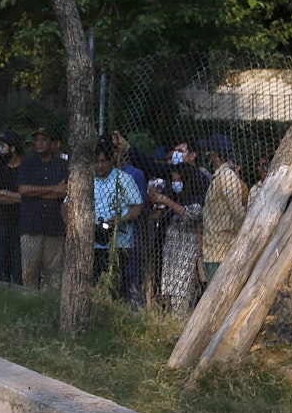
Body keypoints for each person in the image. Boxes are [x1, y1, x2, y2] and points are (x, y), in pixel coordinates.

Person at [18, 128, 69, 290]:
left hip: (55, 226)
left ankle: (49, 305)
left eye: (44, 140)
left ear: (53, 144)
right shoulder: (27, 163)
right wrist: (53, 188)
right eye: (37, 140)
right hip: (31, 226)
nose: (39, 143)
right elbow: (23, 190)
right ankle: (30, 303)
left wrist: (37, 192)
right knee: (29, 272)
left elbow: (65, 192)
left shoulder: (63, 165)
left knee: (54, 275)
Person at [153, 162, 208, 313]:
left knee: (182, 294)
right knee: (170, 293)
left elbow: (190, 214)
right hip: (172, 255)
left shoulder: (197, 199)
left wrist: (167, 202)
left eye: (178, 180)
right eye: (173, 181)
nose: (175, 184)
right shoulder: (176, 197)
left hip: (187, 254)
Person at [92, 142, 144, 300]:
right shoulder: (87, 180)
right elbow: (66, 205)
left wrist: (122, 219)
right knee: (94, 284)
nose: (100, 166)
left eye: (103, 161)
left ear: (111, 160)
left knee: (114, 284)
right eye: (96, 162)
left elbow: (138, 206)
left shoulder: (124, 179)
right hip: (92, 241)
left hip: (118, 242)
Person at [198, 134, 247, 286]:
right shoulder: (218, 176)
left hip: (222, 251)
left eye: (208, 151)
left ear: (213, 154)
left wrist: (240, 242)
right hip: (213, 249)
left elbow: (238, 213)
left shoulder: (226, 177)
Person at [0, 132, 26, 283]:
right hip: (0, 223)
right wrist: (16, 197)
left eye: (2, 146)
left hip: (21, 224)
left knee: (19, 266)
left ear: (13, 148)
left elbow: (26, 197)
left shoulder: (26, 168)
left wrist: (3, 192)